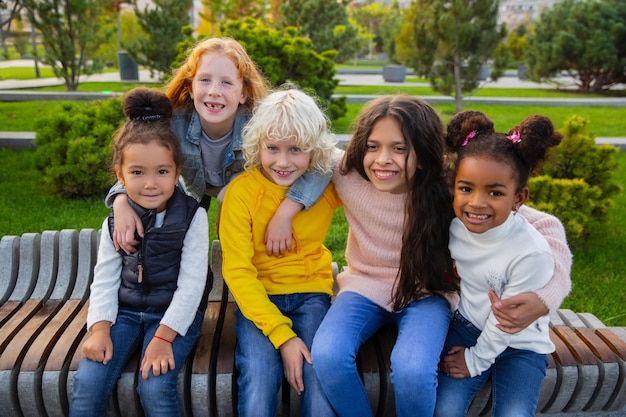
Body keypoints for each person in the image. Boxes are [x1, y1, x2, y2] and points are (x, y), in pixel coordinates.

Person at [106, 37, 329, 255]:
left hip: (241, 190)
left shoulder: (263, 125)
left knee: (235, 229)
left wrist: (285, 214)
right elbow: (136, 160)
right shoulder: (174, 123)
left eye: (226, 82)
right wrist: (121, 198)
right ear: (191, 88)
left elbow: (327, 162)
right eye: (204, 80)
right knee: (158, 211)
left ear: (244, 93)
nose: (214, 90)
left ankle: (237, 264)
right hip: (191, 187)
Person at [311, 95, 459, 416]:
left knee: (413, 371)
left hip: (427, 294)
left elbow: (533, 222)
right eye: (373, 146)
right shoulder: (348, 174)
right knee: (327, 355)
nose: (382, 159)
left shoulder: (448, 189)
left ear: (422, 155)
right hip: (364, 287)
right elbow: (296, 141)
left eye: (399, 148)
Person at [69, 87, 209, 417]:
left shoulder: (193, 217)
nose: (150, 184)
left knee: (155, 385)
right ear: (120, 176)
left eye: (162, 172)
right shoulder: (116, 220)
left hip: (174, 317)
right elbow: (103, 279)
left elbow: (192, 287)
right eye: (137, 172)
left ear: (177, 174)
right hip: (125, 314)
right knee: (87, 382)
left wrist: (164, 337)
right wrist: (100, 329)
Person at [434, 111, 565, 416]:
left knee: (515, 413)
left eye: (495, 192)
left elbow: (507, 320)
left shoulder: (531, 253)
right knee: (444, 410)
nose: (477, 203)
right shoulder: (455, 226)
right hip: (468, 328)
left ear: (519, 198)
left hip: (521, 344)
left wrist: (475, 360)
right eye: (466, 188)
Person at [219, 88, 338, 417]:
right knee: (259, 377)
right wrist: (283, 336)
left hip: (312, 294)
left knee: (319, 375)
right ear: (257, 144)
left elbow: (361, 169)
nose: (283, 162)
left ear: (313, 149)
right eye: (272, 148)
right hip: (259, 300)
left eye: (296, 150)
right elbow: (238, 272)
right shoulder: (243, 193)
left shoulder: (326, 186)